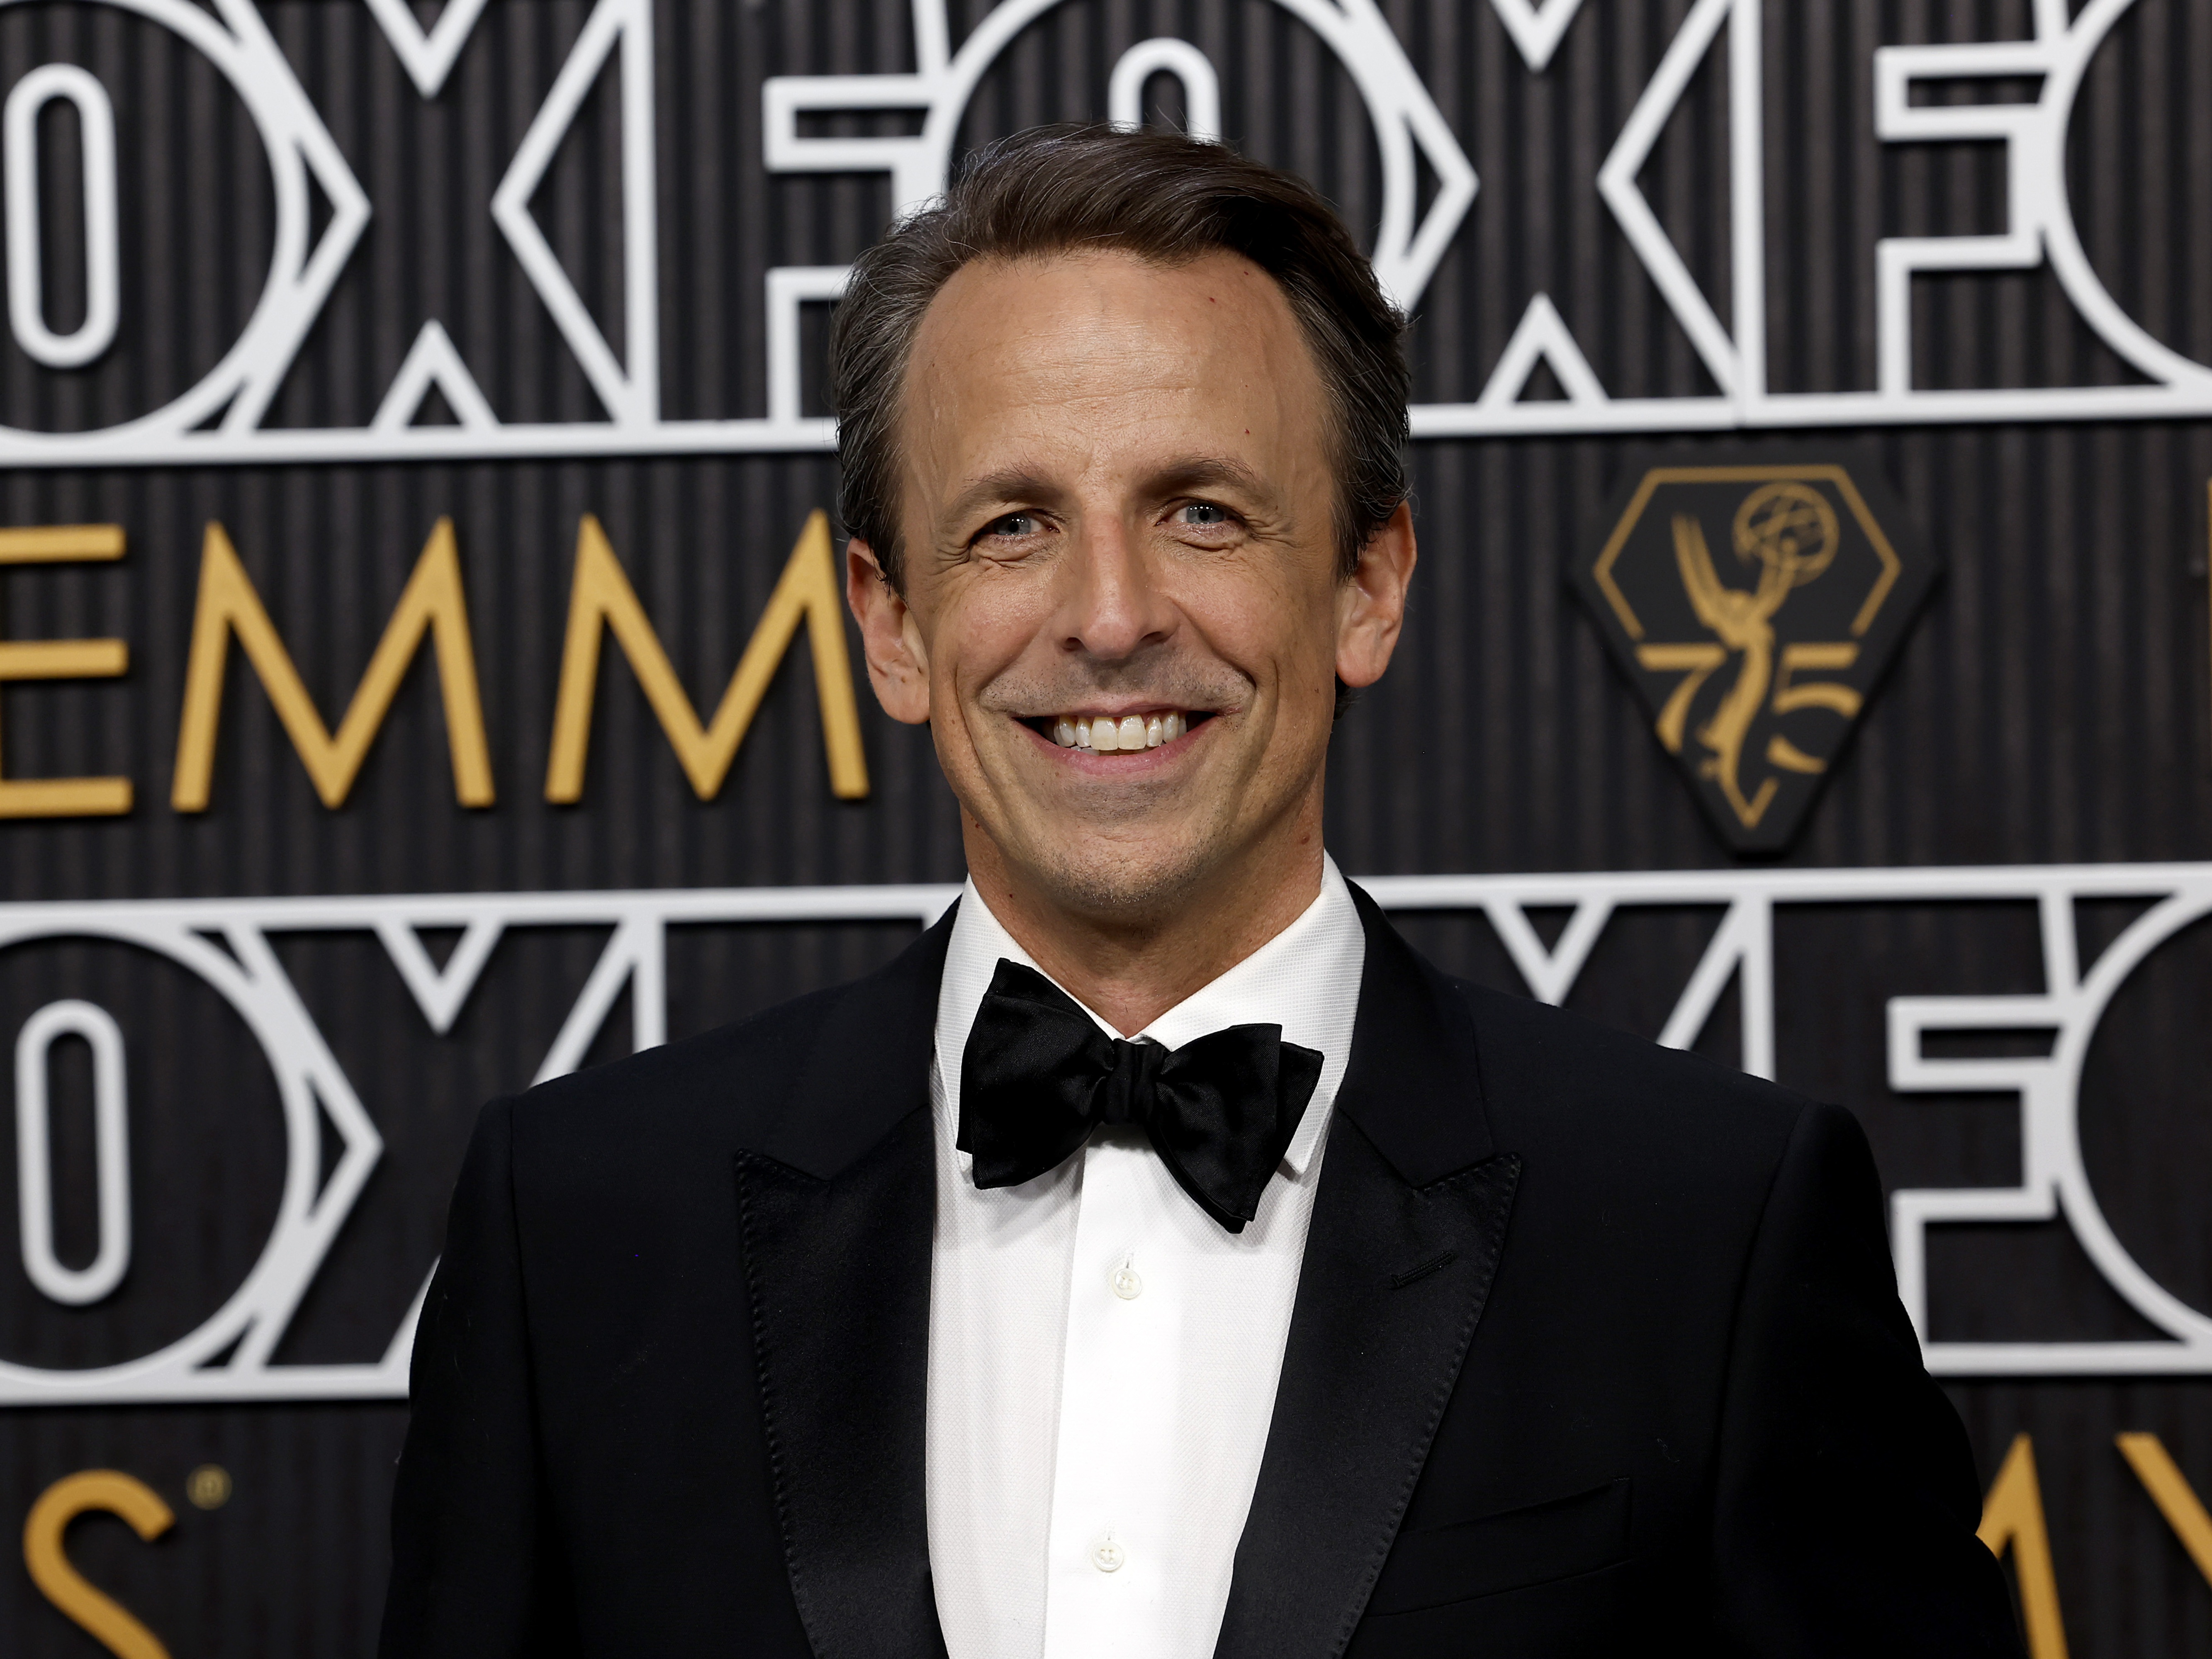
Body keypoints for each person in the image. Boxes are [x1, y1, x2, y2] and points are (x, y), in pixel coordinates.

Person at [380, 126, 2023, 1659]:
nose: (1107, 615)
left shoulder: (1704, 1230)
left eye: (1201, 512)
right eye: (1013, 523)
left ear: (1364, 585)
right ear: (889, 622)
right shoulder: (581, 1229)